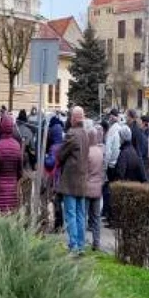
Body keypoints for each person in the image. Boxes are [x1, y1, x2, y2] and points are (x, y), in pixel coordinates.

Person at [57, 106, 89, 256]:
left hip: (71, 180)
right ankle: (81, 246)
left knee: (71, 214)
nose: (70, 118)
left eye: (71, 116)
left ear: (75, 118)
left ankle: (74, 246)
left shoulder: (71, 134)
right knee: (80, 214)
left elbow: (61, 154)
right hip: (82, 179)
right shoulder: (85, 133)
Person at [0, 115, 23, 214]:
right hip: (12, 189)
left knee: (0, 217)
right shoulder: (17, 145)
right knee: (11, 217)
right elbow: (20, 170)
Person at [85, 126, 105, 251]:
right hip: (98, 188)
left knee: (83, 215)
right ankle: (96, 243)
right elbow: (103, 170)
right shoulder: (100, 152)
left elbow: (84, 171)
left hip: (87, 188)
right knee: (96, 217)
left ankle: (81, 241)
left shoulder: (86, 152)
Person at [102, 109, 124, 219]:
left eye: (111, 116)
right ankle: (110, 213)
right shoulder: (120, 129)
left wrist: (105, 167)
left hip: (111, 165)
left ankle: (108, 213)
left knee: (109, 190)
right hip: (118, 163)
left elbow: (108, 151)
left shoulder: (112, 131)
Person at [126, 109, 148, 181]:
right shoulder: (135, 127)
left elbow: (135, 146)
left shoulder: (133, 129)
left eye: (127, 116)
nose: (126, 118)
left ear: (130, 117)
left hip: (134, 160)